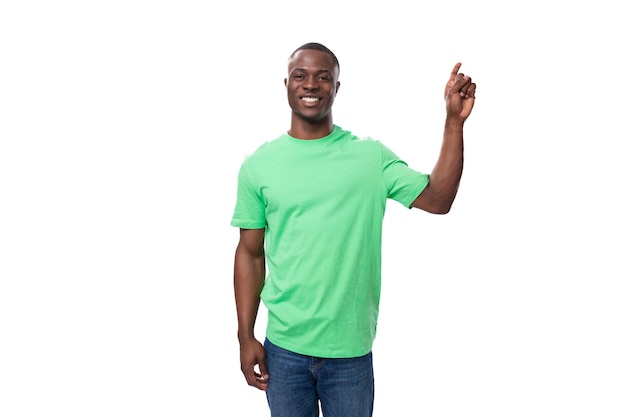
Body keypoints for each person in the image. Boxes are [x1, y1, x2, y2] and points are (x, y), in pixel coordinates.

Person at [231, 42, 476, 417]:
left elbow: (438, 199)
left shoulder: (369, 158)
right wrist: (244, 335)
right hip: (283, 349)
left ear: (337, 88)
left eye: (323, 77)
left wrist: (453, 123)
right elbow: (250, 253)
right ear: (286, 84)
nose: (311, 85)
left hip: (350, 355)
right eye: (301, 76)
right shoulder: (258, 166)